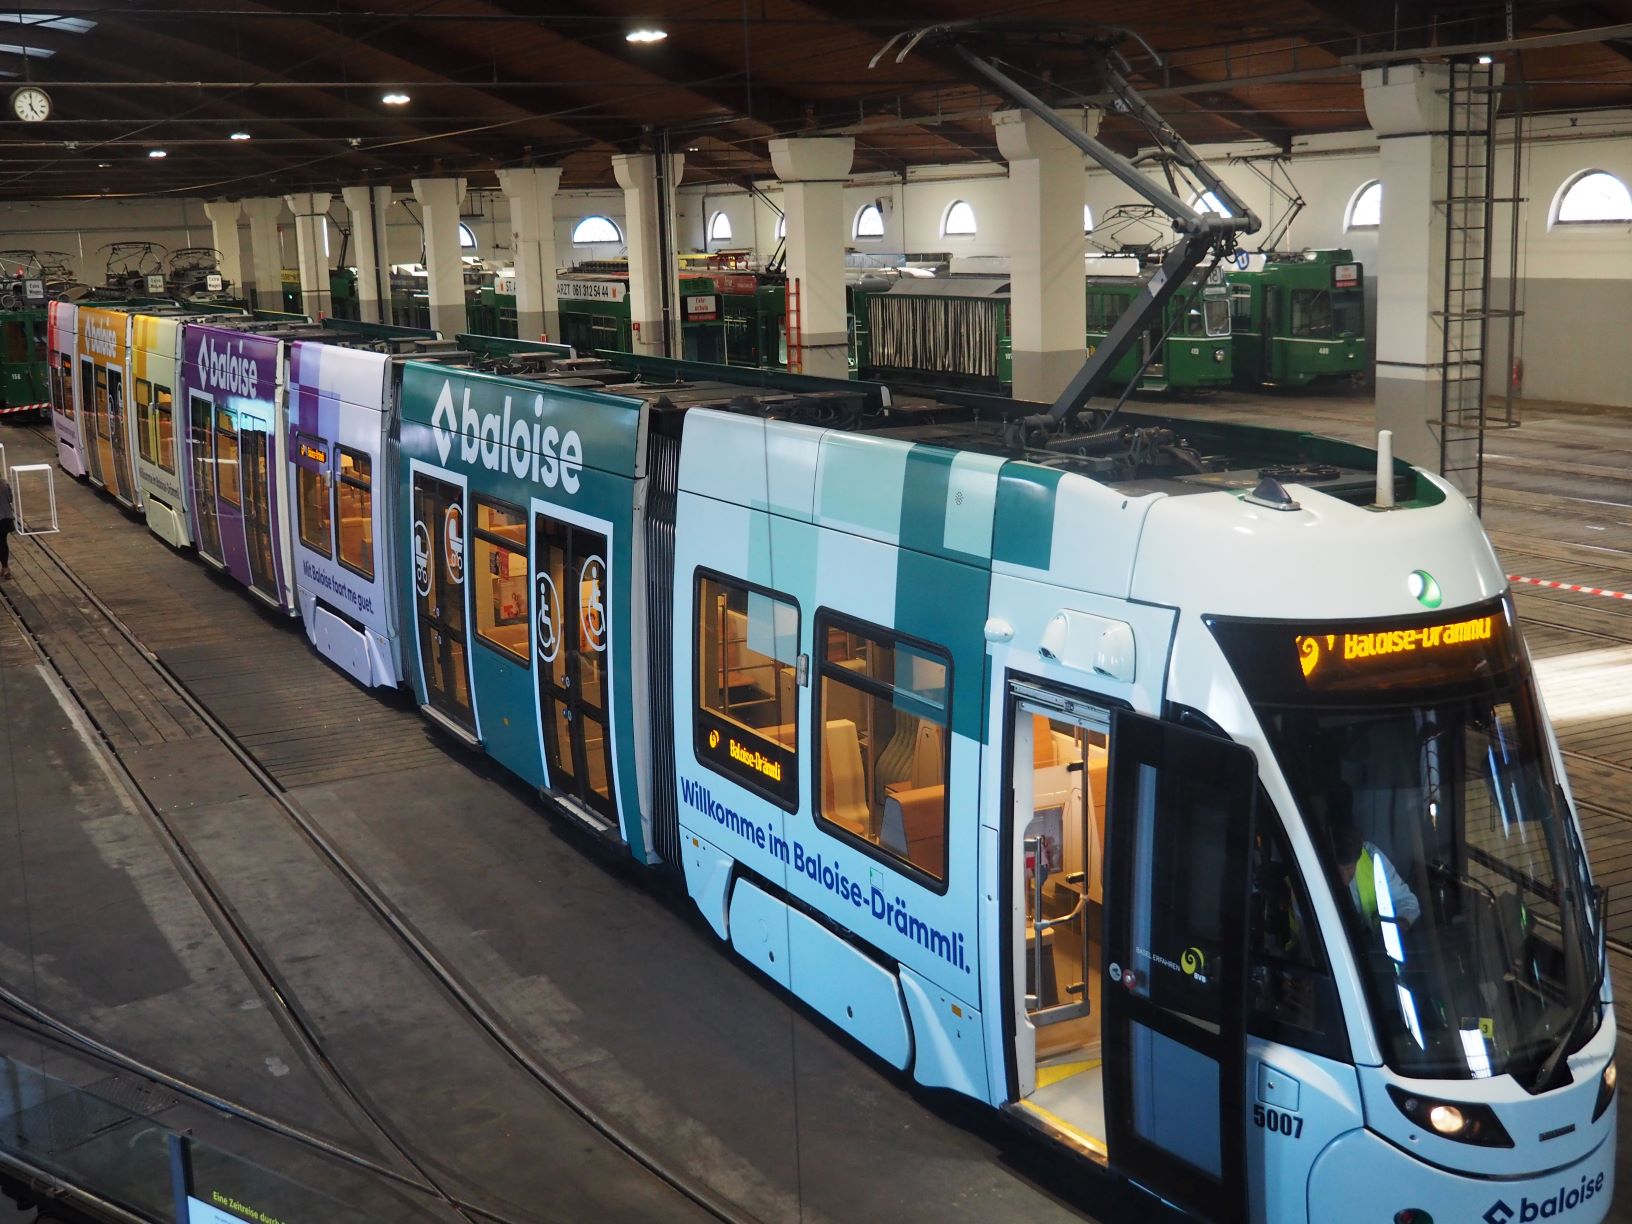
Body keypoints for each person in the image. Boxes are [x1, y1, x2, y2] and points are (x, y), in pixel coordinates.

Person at [1332, 821, 1420, 931]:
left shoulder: (1372, 857)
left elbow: (1406, 901)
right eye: (1338, 871)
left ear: (1358, 859)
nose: (1345, 879)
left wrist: (1401, 922)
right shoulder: (1314, 863)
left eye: (1349, 869)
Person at [0, 472, 12, 580]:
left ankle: (5, 568)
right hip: (6, 518)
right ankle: (5, 567)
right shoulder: (4, 484)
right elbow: (10, 499)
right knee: (3, 542)